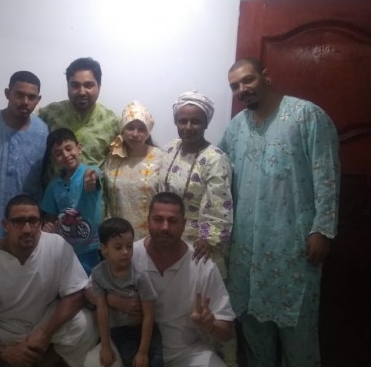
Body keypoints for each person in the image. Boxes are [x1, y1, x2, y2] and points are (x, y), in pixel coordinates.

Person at [218, 59, 340, 367]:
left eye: (247, 80)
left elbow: (326, 175)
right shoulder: (236, 128)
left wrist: (322, 229)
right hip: (245, 250)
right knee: (254, 334)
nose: (242, 89)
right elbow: (218, 177)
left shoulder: (306, 116)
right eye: (234, 86)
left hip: (293, 248)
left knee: (298, 334)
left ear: (266, 76)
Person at [0, 194, 97, 367]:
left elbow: (75, 294)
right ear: (5, 225)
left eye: (33, 221)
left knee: (86, 323)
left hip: (41, 322)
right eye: (18, 221)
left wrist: (45, 332)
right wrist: (4, 351)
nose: (27, 229)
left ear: (41, 223)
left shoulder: (57, 245)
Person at [86, 192, 235, 367]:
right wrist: (114, 300)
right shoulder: (127, 253)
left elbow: (226, 331)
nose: (165, 227)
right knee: (93, 363)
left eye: (173, 221)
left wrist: (209, 326)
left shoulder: (201, 264)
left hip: (186, 352)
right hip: (129, 344)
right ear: (148, 221)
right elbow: (88, 291)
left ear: (183, 224)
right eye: (158, 219)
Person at [158, 91, 233, 278]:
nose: (188, 127)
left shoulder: (215, 158)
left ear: (206, 123)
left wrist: (209, 240)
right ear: (176, 122)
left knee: (194, 291)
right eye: (182, 121)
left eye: (196, 121)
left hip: (199, 244)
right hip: (166, 236)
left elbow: (220, 204)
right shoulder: (169, 149)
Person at [0, 71, 48, 250]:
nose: (25, 101)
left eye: (31, 97)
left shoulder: (43, 132)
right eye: (19, 95)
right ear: (7, 93)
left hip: (26, 227)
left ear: (38, 100)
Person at [90, 217, 163, 367]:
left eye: (129, 246)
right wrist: (105, 345)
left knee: (155, 362)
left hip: (145, 330)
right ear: (104, 249)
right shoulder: (98, 274)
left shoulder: (140, 275)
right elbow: (102, 309)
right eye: (118, 247)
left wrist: (143, 352)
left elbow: (149, 315)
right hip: (120, 331)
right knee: (130, 361)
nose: (125, 252)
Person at [38, 57, 119, 181]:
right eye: (75, 85)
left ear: (99, 86)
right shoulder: (49, 114)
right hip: (53, 192)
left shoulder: (112, 121)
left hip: (93, 192)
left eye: (88, 85)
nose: (82, 92)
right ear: (68, 86)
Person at [41, 128, 103, 275]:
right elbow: (50, 218)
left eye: (69, 149)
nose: (65, 155)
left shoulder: (90, 171)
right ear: (53, 158)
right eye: (58, 153)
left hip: (92, 249)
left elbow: (94, 175)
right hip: (63, 251)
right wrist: (47, 229)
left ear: (79, 148)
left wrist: (91, 178)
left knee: (91, 285)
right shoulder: (53, 186)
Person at [103, 101, 163, 239]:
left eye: (141, 129)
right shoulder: (113, 157)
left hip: (150, 236)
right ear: (122, 130)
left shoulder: (159, 157)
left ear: (148, 132)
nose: (135, 134)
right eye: (130, 127)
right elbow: (106, 198)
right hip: (117, 234)